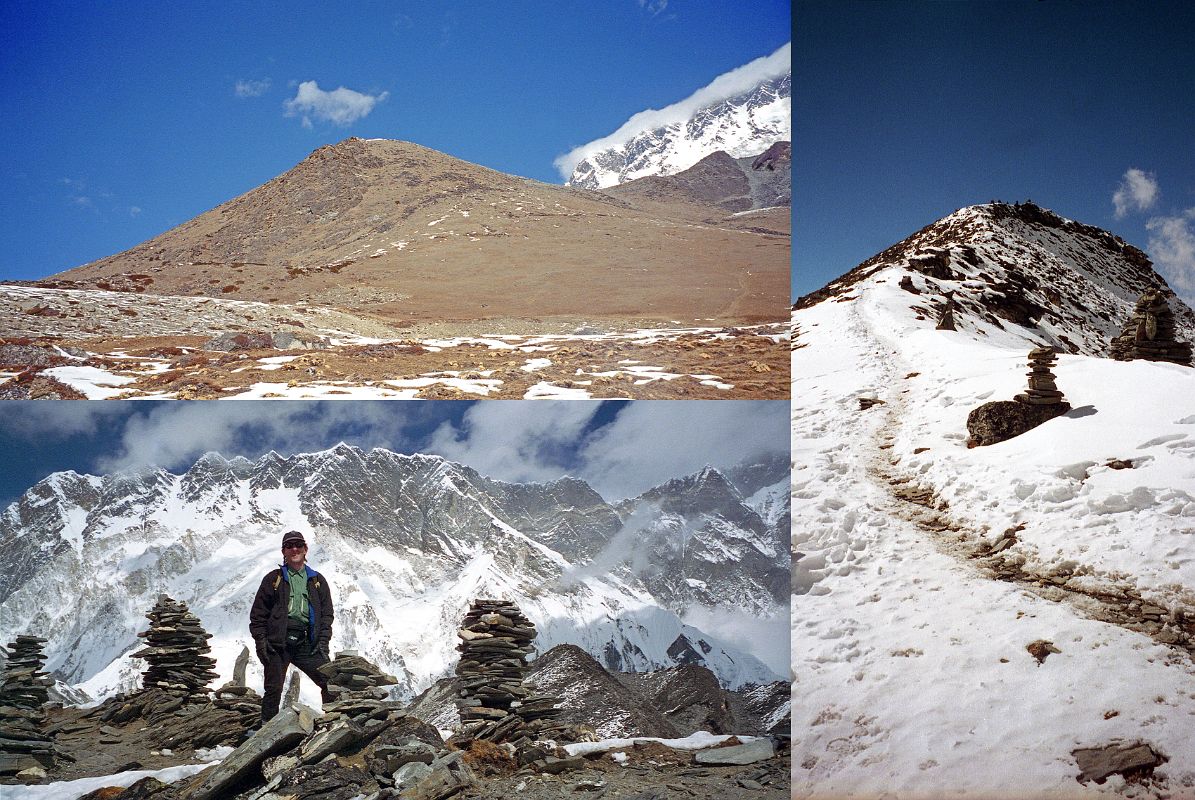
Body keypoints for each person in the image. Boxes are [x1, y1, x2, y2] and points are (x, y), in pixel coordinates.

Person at [249, 530, 335, 722]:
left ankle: (332, 724)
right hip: (278, 643)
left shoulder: (317, 580)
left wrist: (323, 641)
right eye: (289, 546)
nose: (294, 549)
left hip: (307, 643)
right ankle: (265, 734)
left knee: (330, 680)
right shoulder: (274, 579)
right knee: (273, 688)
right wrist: (261, 641)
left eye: (298, 545)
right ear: (284, 552)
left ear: (306, 549)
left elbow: (327, 614)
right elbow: (258, 614)